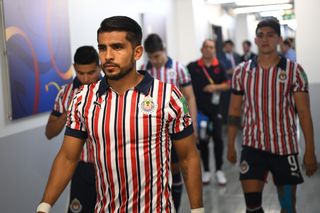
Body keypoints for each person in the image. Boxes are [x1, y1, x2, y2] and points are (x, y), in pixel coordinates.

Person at [37, 16, 203, 213]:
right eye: (102, 48)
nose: (107, 56)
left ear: (137, 52)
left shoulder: (168, 96)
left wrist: (197, 209)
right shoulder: (83, 99)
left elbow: (188, 157)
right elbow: (67, 157)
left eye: (117, 47)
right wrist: (44, 207)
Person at [227, 17, 318, 213]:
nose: (265, 39)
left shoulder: (294, 71)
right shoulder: (241, 72)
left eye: (270, 35)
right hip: (252, 146)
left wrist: (310, 150)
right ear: (255, 40)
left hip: (284, 147)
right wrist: (230, 145)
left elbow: (304, 113)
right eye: (260, 36)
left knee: (288, 207)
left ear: (278, 39)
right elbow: (234, 110)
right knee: (252, 206)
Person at [142, 33, 198, 211]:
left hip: (175, 128)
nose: (154, 61)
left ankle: (176, 207)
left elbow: (189, 97)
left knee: (176, 171)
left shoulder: (179, 68)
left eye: (157, 56)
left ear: (163, 50)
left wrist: (192, 125)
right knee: (155, 173)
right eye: (150, 57)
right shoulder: (144, 69)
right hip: (152, 131)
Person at [45, 45, 100, 213]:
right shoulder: (66, 93)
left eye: (91, 73)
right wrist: (69, 112)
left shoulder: (113, 91)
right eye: (81, 73)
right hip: (80, 169)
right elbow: (50, 132)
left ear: (99, 67)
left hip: (108, 167)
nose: (85, 78)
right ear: (74, 68)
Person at [187, 39, 229, 185]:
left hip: (216, 110)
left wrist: (215, 87)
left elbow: (227, 84)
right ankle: (206, 170)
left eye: (211, 47)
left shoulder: (220, 66)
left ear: (214, 50)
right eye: (206, 47)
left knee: (218, 139)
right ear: (201, 49)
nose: (208, 49)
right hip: (199, 112)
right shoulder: (192, 67)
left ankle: (219, 170)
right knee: (203, 140)